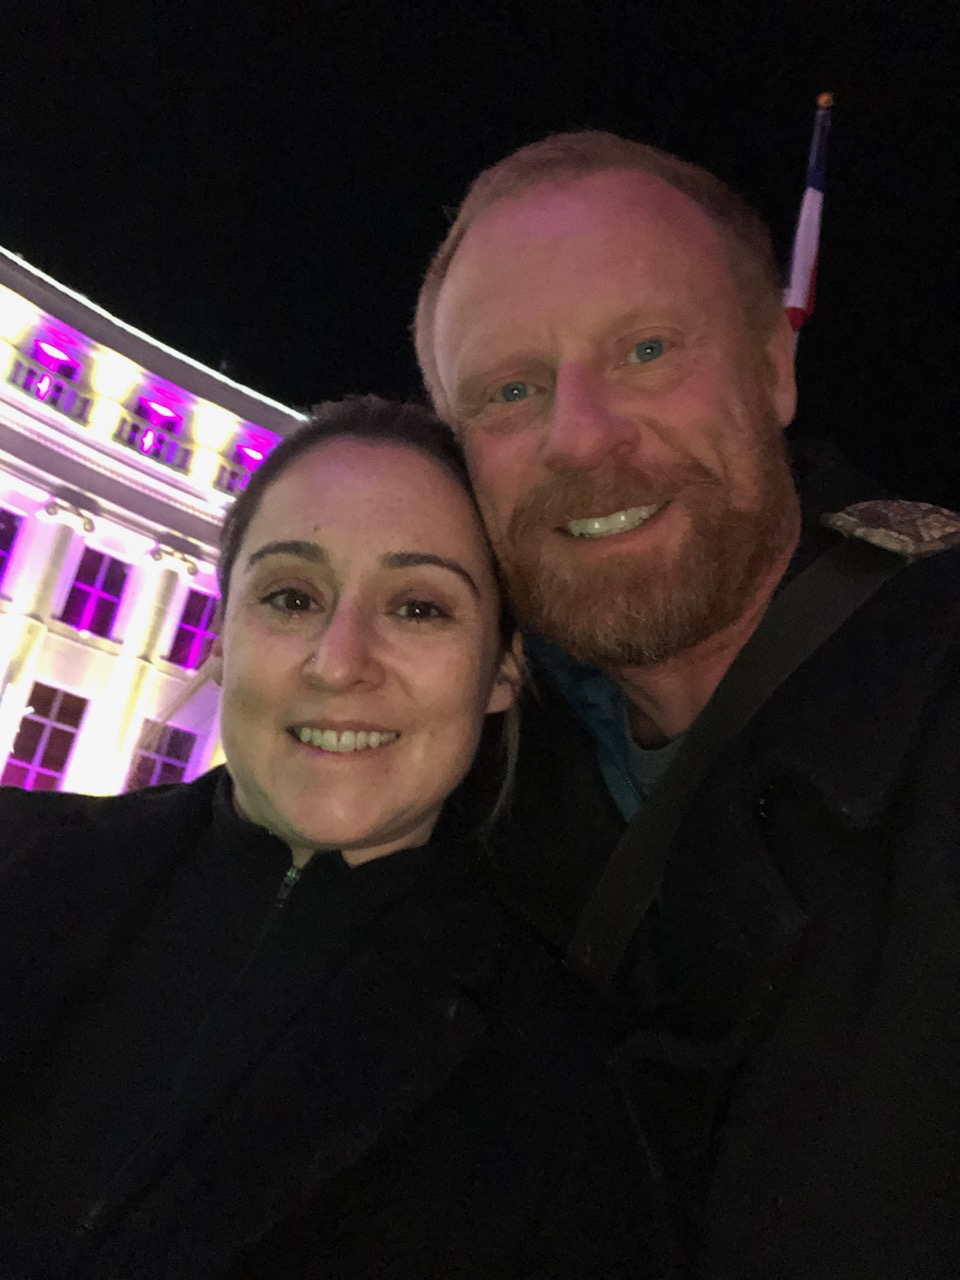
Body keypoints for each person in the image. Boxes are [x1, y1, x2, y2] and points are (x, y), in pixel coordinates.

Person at [415, 131, 960, 1278]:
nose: (580, 434)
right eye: (510, 390)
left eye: (648, 348)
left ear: (775, 367)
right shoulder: (448, 785)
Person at [0, 396, 668, 1280]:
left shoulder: (569, 1090)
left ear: (503, 668)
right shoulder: (20, 869)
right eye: (291, 596)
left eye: (420, 608)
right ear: (225, 635)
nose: (340, 661)